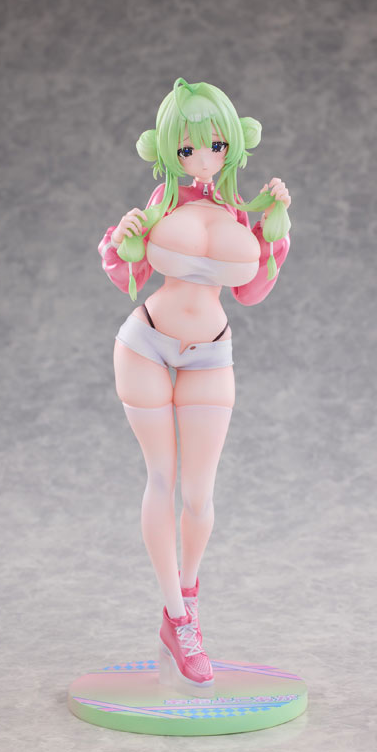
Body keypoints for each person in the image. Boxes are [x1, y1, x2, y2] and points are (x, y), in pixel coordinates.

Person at [98, 78, 291, 689]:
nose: (202, 158)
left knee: (199, 496)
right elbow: (126, 273)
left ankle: (187, 601)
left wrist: (276, 226)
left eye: (214, 145)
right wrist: (125, 238)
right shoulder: (161, 203)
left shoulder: (239, 210)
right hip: (146, 343)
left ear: (232, 143)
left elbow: (251, 290)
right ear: (168, 151)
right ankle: (177, 619)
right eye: (186, 149)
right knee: (161, 478)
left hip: (210, 354)